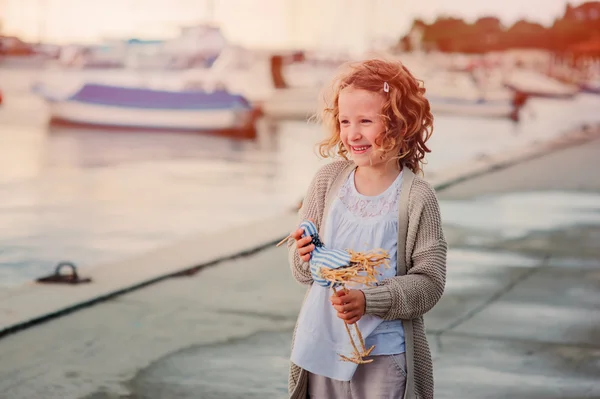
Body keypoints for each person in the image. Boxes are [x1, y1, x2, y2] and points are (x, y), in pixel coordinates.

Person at [285, 58, 447, 399]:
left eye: (365, 121)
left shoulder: (416, 197)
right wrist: (303, 255)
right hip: (322, 346)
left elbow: (430, 283)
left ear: (400, 125)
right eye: (345, 121)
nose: (352, 133)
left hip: (383, 357)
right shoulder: (328, 182)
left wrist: (368, 299)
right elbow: (304, 272)